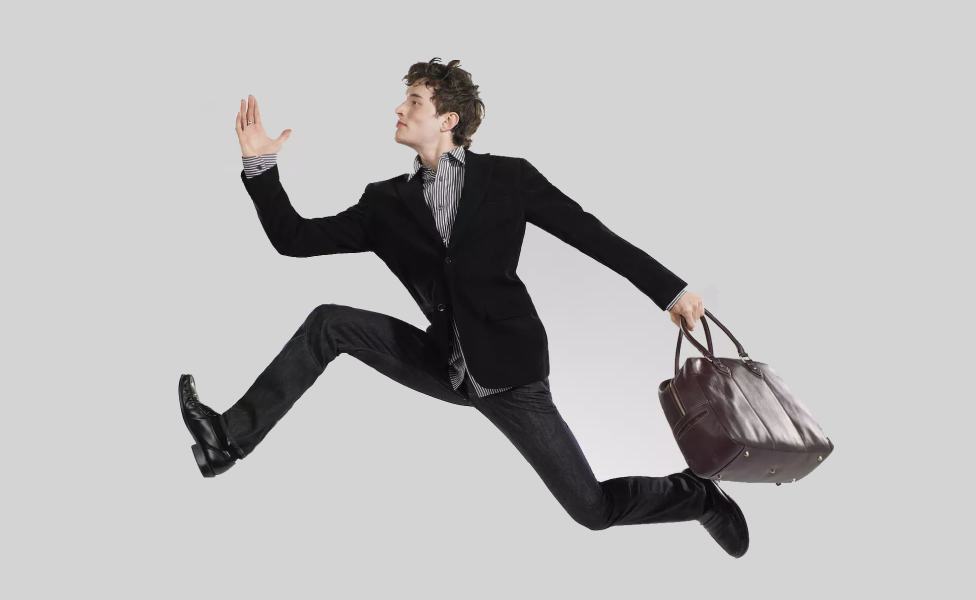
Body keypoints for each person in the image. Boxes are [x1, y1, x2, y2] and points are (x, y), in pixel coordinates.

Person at [178, 57, 748, 558]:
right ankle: (228, 438)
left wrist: (671, 291)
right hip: (443, 361)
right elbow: (294, 239)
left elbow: (592, 235)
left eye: (414, 101)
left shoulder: (508, 178)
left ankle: (696, 495)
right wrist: (261, 168)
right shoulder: (384, 203)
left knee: (591, 509)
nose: (399, 108)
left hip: (510, 371)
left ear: (448, 119)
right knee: (330, 323)